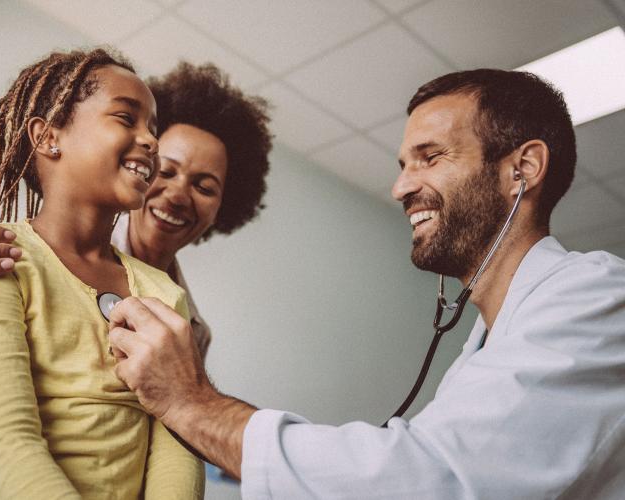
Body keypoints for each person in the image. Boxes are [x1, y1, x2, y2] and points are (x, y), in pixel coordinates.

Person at [106, 69, 625, 499]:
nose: (400, 186)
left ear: (523, 169)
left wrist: (191, 402)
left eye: (431, 156)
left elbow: (423, 477)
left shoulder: (594, 296)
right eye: (403, 164)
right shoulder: (488, 348)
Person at [0, 62, 272, 407]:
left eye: (204, 187)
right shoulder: (11, 257)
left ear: (225, 206)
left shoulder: (190, 329)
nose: (179, 194)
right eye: (167, 170)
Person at [0, 48, 206, 499]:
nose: (150, 141)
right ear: (48, 138)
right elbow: (6, 442)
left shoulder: (164, 293)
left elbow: (178, 444)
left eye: (153, 129)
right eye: (127, 118)